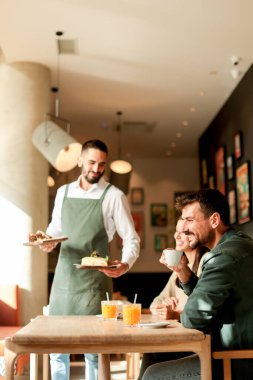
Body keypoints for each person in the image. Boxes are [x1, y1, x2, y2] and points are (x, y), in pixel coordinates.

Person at [39, 139, 140, 380]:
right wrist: (48, 241)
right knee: (57, 351)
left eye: (102, 164)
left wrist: (125, 264)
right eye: (92, 162)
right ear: (80, 160)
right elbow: (55, 229)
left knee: (94, 352)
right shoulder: (63, 192)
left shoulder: (114, 195)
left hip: (95, 284)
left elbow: (132, 238)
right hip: (63, 282)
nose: (96, 169)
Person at [143, 189, 253, 380]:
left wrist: (181, 312)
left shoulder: (222, 257)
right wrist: (184, 273)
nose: (183, 228)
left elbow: (194, 317)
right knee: (154, 355)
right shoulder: (237, 245)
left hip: (234, 361)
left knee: (153, 375)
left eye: (190, 220)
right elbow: (207, 301)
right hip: (228, 351)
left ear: (214, 220)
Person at [138, 219, 208, 379]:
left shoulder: (206, 262)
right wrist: (165, 305)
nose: (177, 235)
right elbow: (155, 303)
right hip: (185, 337)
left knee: (152, 367)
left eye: (184, 232)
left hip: (198, 341)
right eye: (176, 231)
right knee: (152, 352)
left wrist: (176, 314)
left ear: (195, 234)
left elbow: (205, 307)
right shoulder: (178, 269)